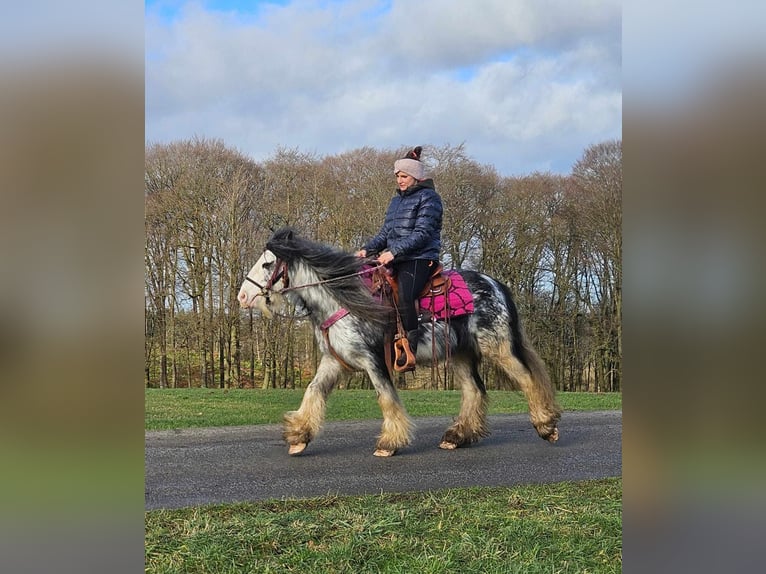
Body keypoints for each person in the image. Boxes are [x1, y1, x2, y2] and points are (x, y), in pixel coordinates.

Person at [355, 146, 443, 371]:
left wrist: (394, 252)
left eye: (404, 176)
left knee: (405, 295)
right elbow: (386, 233)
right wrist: (367, 250)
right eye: (397, 176)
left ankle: (411, 346)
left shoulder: (430, 198)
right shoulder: (396, 202)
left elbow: (423, 233)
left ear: (415, 176)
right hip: (397, 257)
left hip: (420, 257)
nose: (400, 180)